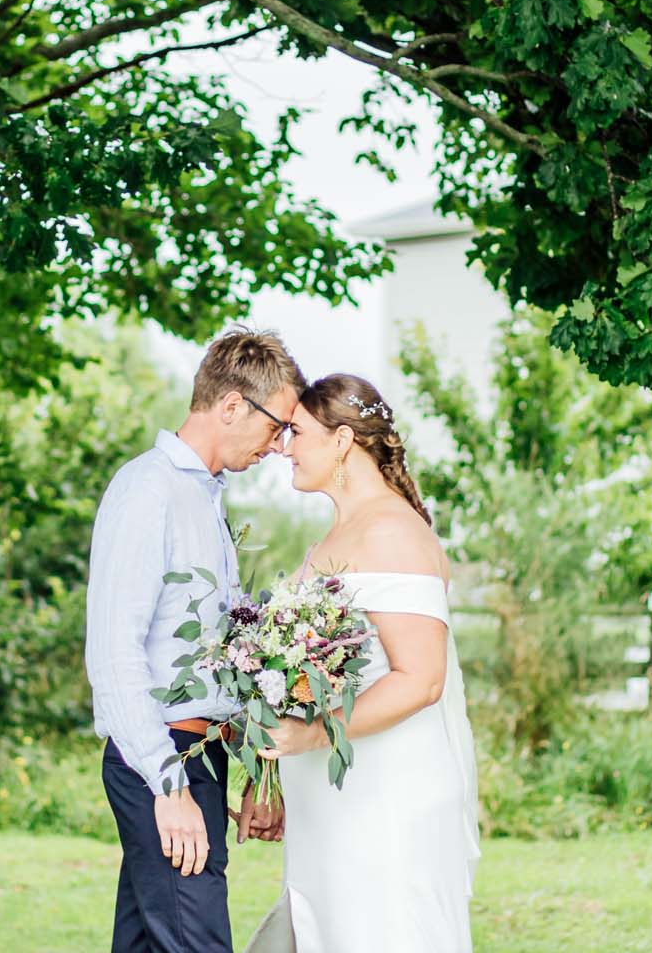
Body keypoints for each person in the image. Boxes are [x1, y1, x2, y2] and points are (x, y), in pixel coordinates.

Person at [86, 327, 304, 953]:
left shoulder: (205, 497)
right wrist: (169, 785)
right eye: (277, 424)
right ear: (233, 405)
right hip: (160, 757)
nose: (279, 443)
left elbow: (207, 661)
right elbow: (115, 654)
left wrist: (254, 770)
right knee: (197, 941)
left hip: (196, 754)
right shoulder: (147, 489)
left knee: (148, 943)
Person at [246, 373, 481, 953]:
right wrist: (271, 774)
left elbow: (422, 680)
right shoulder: (343, 531)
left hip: (386, 801)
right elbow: (306, 679)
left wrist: (310, 739)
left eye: (296, 432)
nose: (283, 447)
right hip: (334, 801)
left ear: (343, 439)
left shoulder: (394, 533)